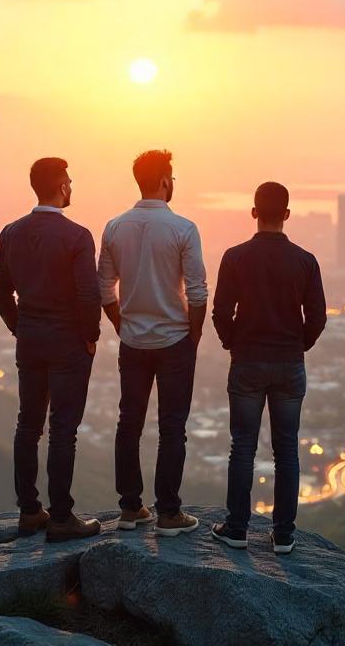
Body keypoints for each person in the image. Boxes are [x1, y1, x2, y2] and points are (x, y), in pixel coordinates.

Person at [209, 182, 326, 555]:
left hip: (247, 362)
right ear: (287, 214)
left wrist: (234, 342)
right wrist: (298, 344)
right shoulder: (305, 261)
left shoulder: (235, 257)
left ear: (254, 212)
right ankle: (284, 535)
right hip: (290, 364)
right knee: (287, 449)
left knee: (242, 447)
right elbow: (318, 318)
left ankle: (237, 528)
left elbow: (220, 313)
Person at [0, 157, 103, 542]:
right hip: (68, 341)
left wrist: (18, 325)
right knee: (62, 429)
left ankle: (28, 511)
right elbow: (89, 293)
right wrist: (91, 335)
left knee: (28, 424)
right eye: (69, 180)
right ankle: (61, 517)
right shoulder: (77, 236)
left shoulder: (10, 233)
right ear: (60, 186)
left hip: (31, 340)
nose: (71, 186)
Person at [98, 149, 207, 537]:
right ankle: (169, 513)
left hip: (133, 341)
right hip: (174, 339)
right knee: (171, 427)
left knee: (129, 423)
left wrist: (121, 323)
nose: (173, 183)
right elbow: (197, 293)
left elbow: (104, 288)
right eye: (172, 177)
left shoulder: (114, 227)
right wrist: (193, 336)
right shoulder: (183, 229)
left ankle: (130, 508)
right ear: (164, 180)